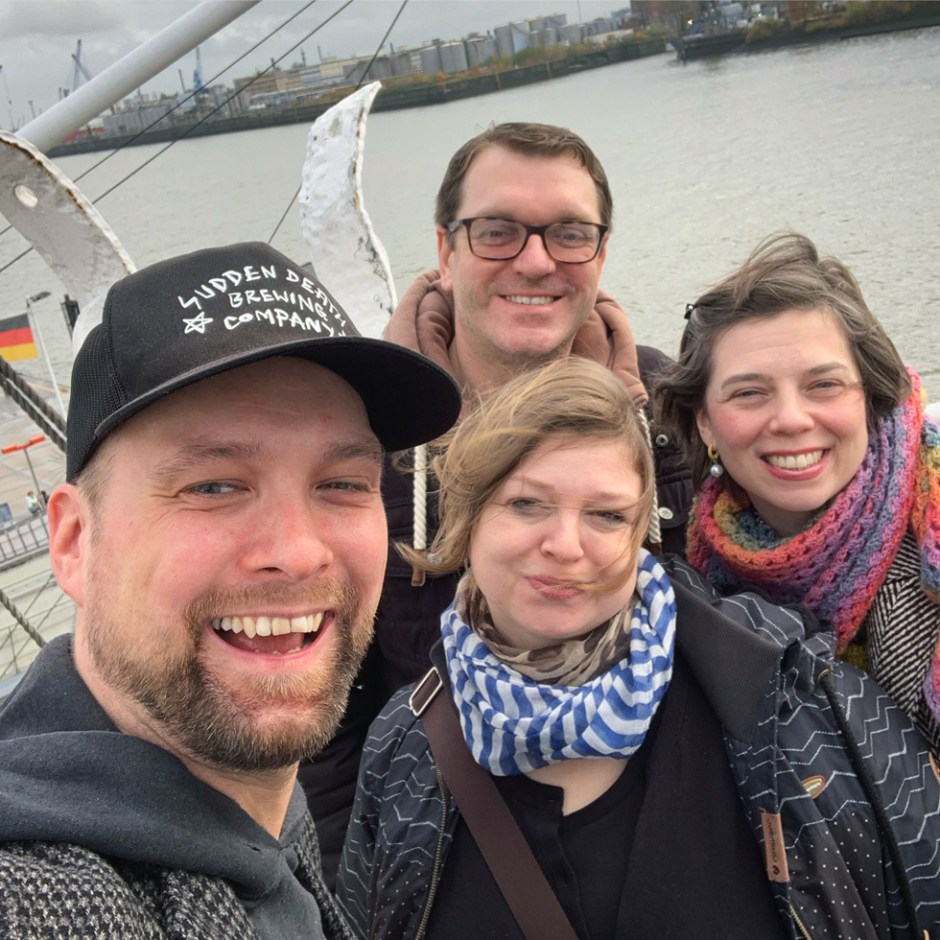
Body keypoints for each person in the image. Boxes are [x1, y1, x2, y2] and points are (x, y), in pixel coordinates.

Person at [335, 357, 940, 939]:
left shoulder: (783, 695)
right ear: (469, 517)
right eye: (526, 503)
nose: (566, 545)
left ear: (640, 533)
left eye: (606, 515)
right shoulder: (404, 745)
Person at [0, 241, 461, 938]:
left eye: (341, 484)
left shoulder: (254, 803)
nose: (298, 552)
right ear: (73, 542)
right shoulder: (40, 897)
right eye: (213, 486)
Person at [300, 121, 693, 882]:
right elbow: (328, 716)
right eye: (498, 232)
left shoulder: (668, 413)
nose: (537, 260)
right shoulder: (363, 439)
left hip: (665, 836)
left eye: (570, 233)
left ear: (601, 253)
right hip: (451, 853)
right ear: (445, 252)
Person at [655, 231, 940, 755]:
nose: (790, 419)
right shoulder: (696, 572)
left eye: (824, 385)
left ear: (869, 396)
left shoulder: (928, 545)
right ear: (707, 425)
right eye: (749, 393)